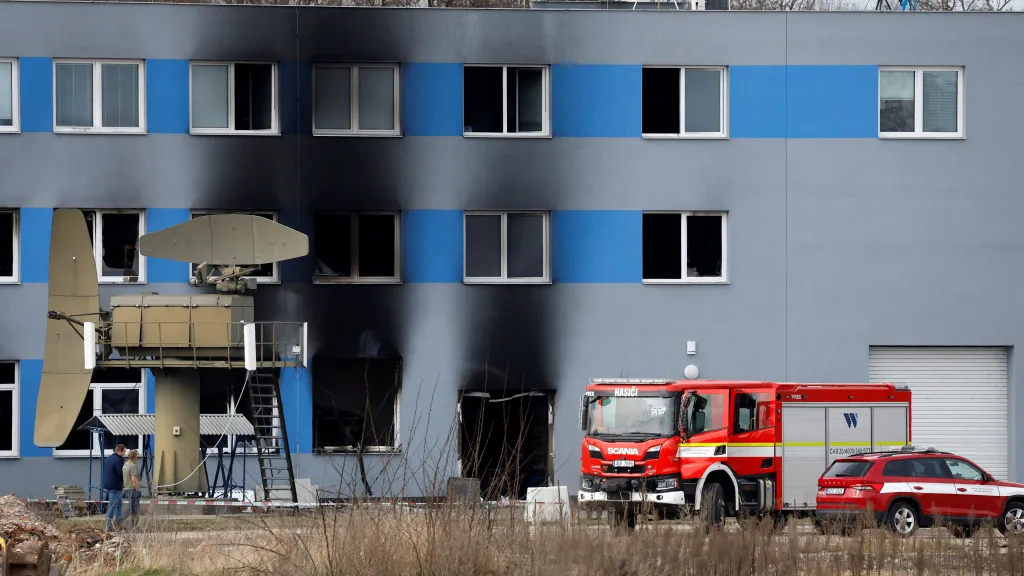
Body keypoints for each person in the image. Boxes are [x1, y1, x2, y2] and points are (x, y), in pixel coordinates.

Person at [102, 444, 126, 534]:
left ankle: (119, 524)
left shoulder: (109, 459)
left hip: (110, 485)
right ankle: (108, 526)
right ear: (120, 451)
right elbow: (121, 473)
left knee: (119, 505)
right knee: (113, 506)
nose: (125, 453)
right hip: (115, 486)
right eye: (124, 451)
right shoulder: (118, 460)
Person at [122, 449, 141, 530]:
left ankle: (132, 526)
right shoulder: (133, 466)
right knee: (134, 509)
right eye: (137, 456)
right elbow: (134, 480)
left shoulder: (125, 465)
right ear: (135, 457)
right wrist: (138, 490)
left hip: (126, 488)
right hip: (132, 489)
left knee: (131, 509)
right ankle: (119, 521)